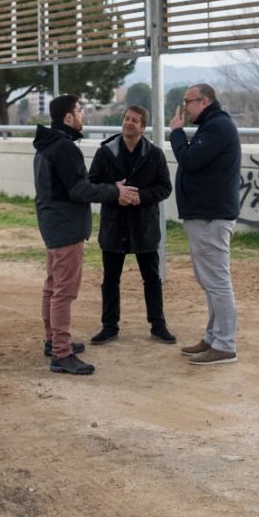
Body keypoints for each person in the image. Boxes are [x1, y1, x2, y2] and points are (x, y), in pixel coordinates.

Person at [33, 94, 137, 375]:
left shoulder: (47, 144)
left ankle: (53, 341)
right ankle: (61, 353)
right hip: (65, 228)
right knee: (63, 292)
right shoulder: (64, 147)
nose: (83, 115)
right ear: (68, 117)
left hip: (53, 225)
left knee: (53, 287)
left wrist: (110, 188)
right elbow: (79, 190)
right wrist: (115, 191)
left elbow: (69, 186)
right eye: (79, 111)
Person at [87, 105, 176, 346]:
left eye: (134, 120)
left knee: (152, 278)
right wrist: (114, 192)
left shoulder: (155, 154)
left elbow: (165, 187)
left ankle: (158, 325)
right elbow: (91, 185)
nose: (128, 123)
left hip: (144, 225)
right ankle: (109, 327)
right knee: (110, 279)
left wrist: (141, 197)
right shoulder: (105, 153)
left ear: (142, 127)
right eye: (126, 118)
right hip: (114, 225)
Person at [168, 83, 242, 366]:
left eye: (188, 101)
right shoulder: (211, 126)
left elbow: (189, 160)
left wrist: (176, 133)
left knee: (218, 283)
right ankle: (213, 337)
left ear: (205, 101)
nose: (185, 107)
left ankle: (225, 344)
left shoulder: (217, 127)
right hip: (205, 216)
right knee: (210, 282)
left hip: (211, 217)